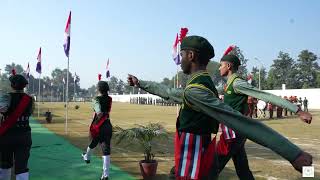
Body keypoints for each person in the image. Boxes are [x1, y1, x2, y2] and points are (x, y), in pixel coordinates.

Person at [127, 35, 312, 179]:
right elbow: (172, 93)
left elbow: (243, 120)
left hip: (221, 139)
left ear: (191, 56)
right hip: (219, 140)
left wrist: (292, 152)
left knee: (203, 172)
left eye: (182, 54)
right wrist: (141, 83)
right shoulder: (203, 83)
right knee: (242, 171)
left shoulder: (216, 86)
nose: (179, 59)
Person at [216, 50, 312, 179]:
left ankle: (309, 174)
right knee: (243, 170)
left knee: (213, 167)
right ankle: (309, 174)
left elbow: (264, 95)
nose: (219, 68)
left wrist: (297, 110)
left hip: (234, 134)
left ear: (228, 66)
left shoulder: (237, 83)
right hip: (234, 133)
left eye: (221, 65)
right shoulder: (229, 84)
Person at [0, 73, 34, 180]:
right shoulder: (30, 99)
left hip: (7, 136)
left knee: (5, 164)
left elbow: (2, 110)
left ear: (12, 85)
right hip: (24, 136)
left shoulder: (6, 97)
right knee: (22, 167)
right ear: (24, 86)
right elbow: (30, 112)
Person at [81, 81, 113, 180]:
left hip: (98, 126)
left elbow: (98, 111)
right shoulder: (109, 99)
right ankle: (105, 175)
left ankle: (87, 156)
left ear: (99, 89)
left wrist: (99, 113)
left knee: (93, 142)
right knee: (106, 149)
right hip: (108, 125)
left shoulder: (96, 99)